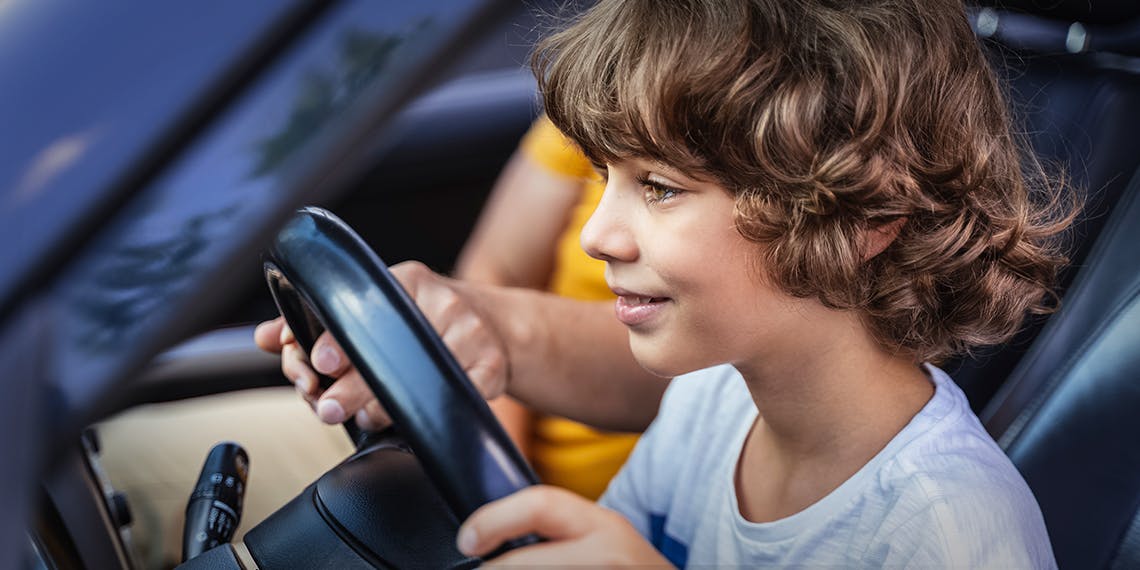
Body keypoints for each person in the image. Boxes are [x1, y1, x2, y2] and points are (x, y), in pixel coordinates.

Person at [256, 0, 1074, 565]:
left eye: (661, 187)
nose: (595, 234)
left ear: (864, 218)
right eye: (604, 177)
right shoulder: (712, 402)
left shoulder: (954, 531)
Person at [456, 115, 639, 500]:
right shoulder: (598, 94)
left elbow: (681, 371)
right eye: (599, 171)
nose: (595, 236)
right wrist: (500, 470)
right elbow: (494, 270)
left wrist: (488, 331)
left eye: (660, 188)